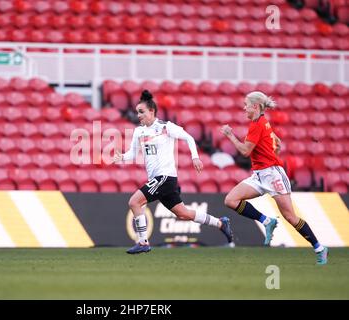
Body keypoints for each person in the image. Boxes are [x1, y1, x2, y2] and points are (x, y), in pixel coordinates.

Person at [113, 90, 234, 254]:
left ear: (151, 111)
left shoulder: (165, 127)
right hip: (158, 179)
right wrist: (122, 157)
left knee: (134, 202)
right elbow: (133, 154)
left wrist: (195, 158)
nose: (139, 115)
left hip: (165, 177)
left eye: (141, 112)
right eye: (137, 112)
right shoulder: (138, 131)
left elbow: (189, 138)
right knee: (183, 214)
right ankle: (220, 223)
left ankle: (142, 242)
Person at [220, 91, 328, 265]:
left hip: (272, 174)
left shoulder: (257, 125)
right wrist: (273, 149)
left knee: (290, 217)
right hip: (259, 174)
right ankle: (267, 221)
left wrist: (230, 135)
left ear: (255, 106)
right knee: (231, 200)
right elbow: (276, 143)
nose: (244, 107)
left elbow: (245, 151)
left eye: (246, 104)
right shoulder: (260, 123)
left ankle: (319, 248)